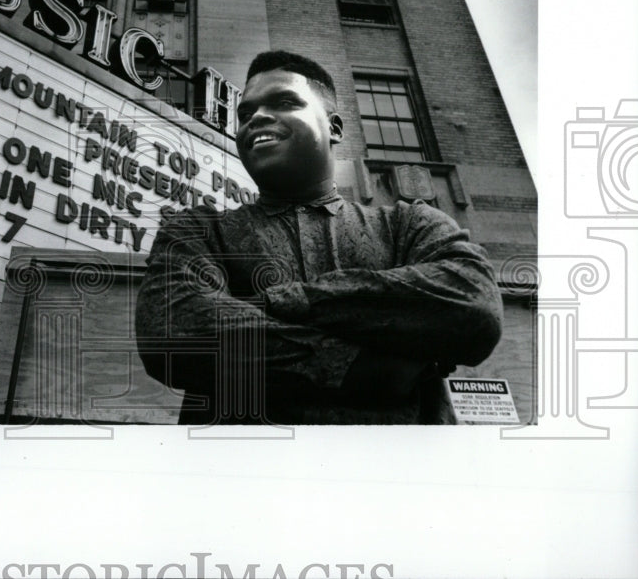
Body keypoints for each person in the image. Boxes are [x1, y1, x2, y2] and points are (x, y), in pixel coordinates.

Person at [135, 50, 503, 424]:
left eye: (283, 102)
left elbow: (474, 302)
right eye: (245, 114)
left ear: (335, 128)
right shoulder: (196, 229)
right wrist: (359, 364)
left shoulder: (409, 224)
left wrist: (285, 301)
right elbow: (172, 331)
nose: (255, 118)